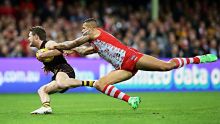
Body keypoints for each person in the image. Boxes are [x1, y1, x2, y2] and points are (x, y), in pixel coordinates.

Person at [49, 18, 218, 109]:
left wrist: (57, 46)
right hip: (122, 67)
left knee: (167, 66)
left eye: (84, 28)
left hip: (131, 57)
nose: (82, 30)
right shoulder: (96, 43)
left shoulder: (95, 33)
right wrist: (67, 51)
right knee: (100, 84)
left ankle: (198, 59)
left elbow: (74, 44)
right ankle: (131, 100)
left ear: (93, 28)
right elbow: (84, 51)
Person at [28, 26, 95, 114]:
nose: (28, 38)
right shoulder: (40, 50)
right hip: (57, 74)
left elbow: (60, 50)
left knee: (61, 83)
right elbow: (53, 58)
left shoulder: (48, 44)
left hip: (64, 69)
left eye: (29, 36)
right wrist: (48, 66)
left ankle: (92, 83)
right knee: (42, 90)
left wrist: (44, 55)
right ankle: (46, 107)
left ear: (36, 37)